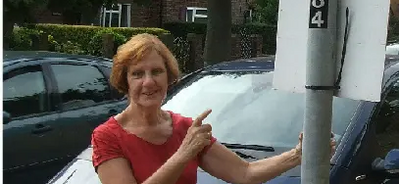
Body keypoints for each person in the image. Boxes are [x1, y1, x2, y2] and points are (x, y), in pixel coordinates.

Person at [91, 33, 335, 184]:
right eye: (137, 74)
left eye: (156, 71)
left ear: (169, 76)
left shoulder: (185, 128)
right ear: (125, 81)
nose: (149, 82)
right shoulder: (107, 136)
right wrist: (183, 155)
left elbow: (245, 173)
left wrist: (298, 155)